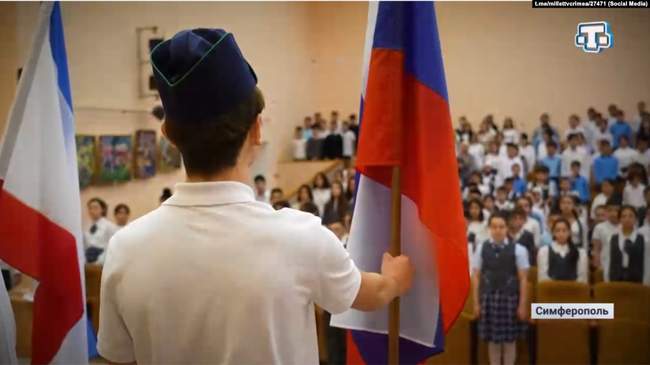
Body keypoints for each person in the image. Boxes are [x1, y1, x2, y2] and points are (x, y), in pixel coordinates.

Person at [98, 29, 414, 364]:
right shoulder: (300, 237)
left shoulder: (126, 248)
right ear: (257, 129)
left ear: (169, 136)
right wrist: (395, 280)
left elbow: (118, 357)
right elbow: (370, 293)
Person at [471, 213, 529, 365]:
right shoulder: (481, 248)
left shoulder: (519, 250)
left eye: (501, 227)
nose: (498, 230)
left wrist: (522, 305)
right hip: (489, 299)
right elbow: (476, 276)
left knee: (510, 341)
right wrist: (476, 304)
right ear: (490, 228)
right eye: (494, 227)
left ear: (506, 229)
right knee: (493, 342)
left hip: (510, 299)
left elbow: (523, 279)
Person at [602, 206, 649, 284]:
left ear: (636, 219)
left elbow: (647, 263)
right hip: (615, 279)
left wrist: (646, 283)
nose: (627, 219)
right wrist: (607, 281)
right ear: (619, 219)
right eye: (624, 216)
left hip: (637, 280)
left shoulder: (645, 240)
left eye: (631, 216)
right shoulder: (611, 239)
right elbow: (607, 261)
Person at [537, 219, 589, 283]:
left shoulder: (580, 252)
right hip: (551, 290)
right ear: (553, 233)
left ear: (569, 232)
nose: (561, 234)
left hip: (574, 290)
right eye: (557, 231)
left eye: (564, 230)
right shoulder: (544, 251)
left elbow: (582, 278)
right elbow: (542, 277)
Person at [84, 197, 118, 264]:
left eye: (95, 208)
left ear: (103, 209)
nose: (92, 210)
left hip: (102, 262)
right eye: (90, 208)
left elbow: (114, 246)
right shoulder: (87, 227)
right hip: (88, 262)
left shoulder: (109, 226)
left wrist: (100, 260)